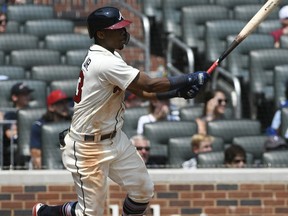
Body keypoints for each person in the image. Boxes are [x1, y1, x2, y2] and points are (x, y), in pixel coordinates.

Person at [32, 6, 209, 216]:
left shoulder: (112, 56)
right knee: (90, 214)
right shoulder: (103, 61)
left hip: (115, 140)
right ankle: (44, 212)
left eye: (124, 28)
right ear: (101, 34)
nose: (124, 33)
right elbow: (150, 85)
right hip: (88, 147)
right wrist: (189, 78)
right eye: (118, 29)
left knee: (143, 191)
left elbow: (142, 92)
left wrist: (178, 94)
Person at [30, 89, 72, 169]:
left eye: (66, 102)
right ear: (51, 107)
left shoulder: (73, 123)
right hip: (49, 168)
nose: (65, 106)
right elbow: (36, 153)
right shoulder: (39, 126)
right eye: (60, 103)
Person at [2, 82, 34, 169]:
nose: (27, 96)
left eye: (28, 94)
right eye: (23, 94)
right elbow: (11, 134)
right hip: (20, 147)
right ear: (14, 97)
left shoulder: (35, 113)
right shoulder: (11, 114)